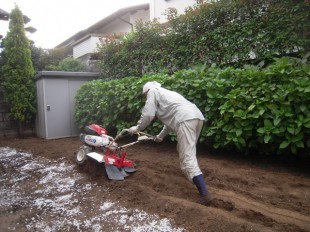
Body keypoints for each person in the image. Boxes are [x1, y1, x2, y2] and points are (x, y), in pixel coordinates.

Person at [128, 81, 214, 205]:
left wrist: (137, 128)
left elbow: (148, 114)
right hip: (196, 117)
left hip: (185, 119)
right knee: (186, 150)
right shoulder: (167, 94)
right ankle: (194, 176)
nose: (146, 98)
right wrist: (160, 137)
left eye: (144, 96)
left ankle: (204, 193)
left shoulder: (152, 92)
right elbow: (169, 123)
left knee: (187, 157)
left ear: (146, 92)